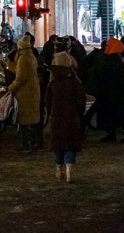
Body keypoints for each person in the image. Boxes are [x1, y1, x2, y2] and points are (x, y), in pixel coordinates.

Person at [46, 52, 86, 183]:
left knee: (58, 144)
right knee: (70, 145)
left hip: (57, 117)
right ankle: (69, 170)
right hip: (71, 117)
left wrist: (51, 111)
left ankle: (59, 168)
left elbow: (48, 100)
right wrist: (79, 114)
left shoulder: (53, 82)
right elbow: (81, 100)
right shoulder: (75, 82)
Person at [7, 34, 42, 152]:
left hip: (25, 93)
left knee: (24, 120)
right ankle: (34, 142)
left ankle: (26, 145)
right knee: (31, 120)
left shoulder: (23, 58)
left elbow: (20, 77)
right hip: (32, 91)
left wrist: (11, 88)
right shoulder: (31, 56)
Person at [97, 37, 124, 143]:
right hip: (116, 91)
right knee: (115, 113)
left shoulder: (113, 59)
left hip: (114, 91)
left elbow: (112, 76)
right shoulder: (116, 58)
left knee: (118, 113)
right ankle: (114, 133)